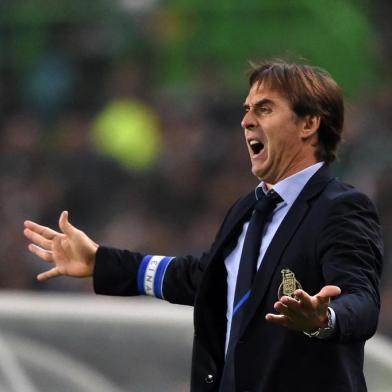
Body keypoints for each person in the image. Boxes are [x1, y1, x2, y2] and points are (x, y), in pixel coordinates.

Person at [24, 60, 383, 392]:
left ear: (309, 123)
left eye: (265, 109)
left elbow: (362, 300)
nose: (246, 121)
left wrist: (326, 318)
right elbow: (204, 278)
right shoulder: (248, 209)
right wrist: (100, 262)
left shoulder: (340, 207)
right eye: (247, 110)